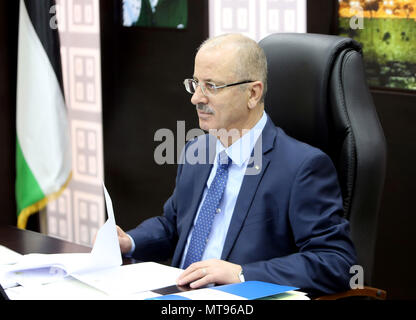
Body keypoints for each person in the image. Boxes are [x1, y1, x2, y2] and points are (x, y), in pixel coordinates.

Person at [116, 33, 357, 296]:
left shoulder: (302, 167)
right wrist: (130, 241)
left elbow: (335, 262)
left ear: (253, 93)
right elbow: (174, 226)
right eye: (195, 83)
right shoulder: (197, 150)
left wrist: (241, 274)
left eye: (211, 86)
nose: (196, 98)